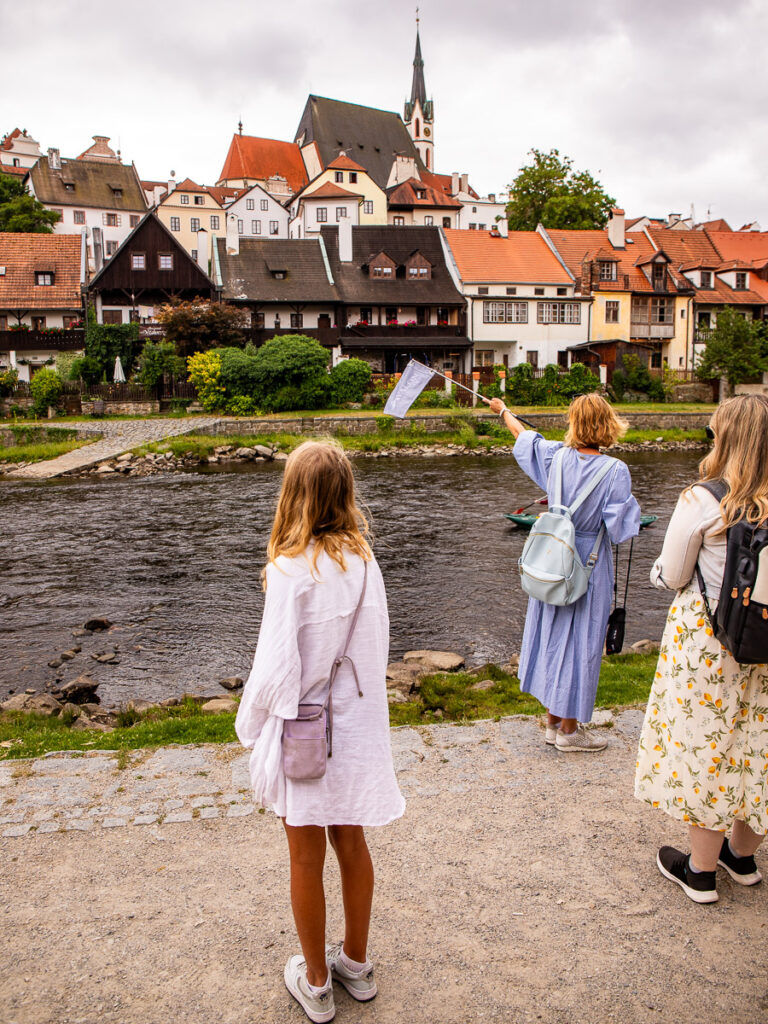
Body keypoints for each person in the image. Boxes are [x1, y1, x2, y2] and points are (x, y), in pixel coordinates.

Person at [235, 441, 405, 1023]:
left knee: (305, 856)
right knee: (351, 843)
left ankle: (315, 982)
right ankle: (355, 962)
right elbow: (377, 644)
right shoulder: (365, 562)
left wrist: (252, 726)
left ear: (294, 495)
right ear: (345, 493)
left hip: (305, 731)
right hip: (355, 726)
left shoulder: (288, 571)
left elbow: (275, 668)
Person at [635, 394, 768, 904]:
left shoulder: (706, 498)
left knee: (706, 747)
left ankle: (701, 872)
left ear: (727, 438)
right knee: (754, 747)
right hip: (764, 642)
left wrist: (658, 573)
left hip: (710, 645)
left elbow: (672, 574)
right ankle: (743, 855)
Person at [489, 393, 640, 750]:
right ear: (608, 424)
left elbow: (521, 437)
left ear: (574, 423)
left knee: (553, 635)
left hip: (553, 555)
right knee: (582, 642)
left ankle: (552, 723)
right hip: (587, 562)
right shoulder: (615, 470)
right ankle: (570, 732)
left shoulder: (556, 458)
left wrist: (504, 410)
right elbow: (620, 530)